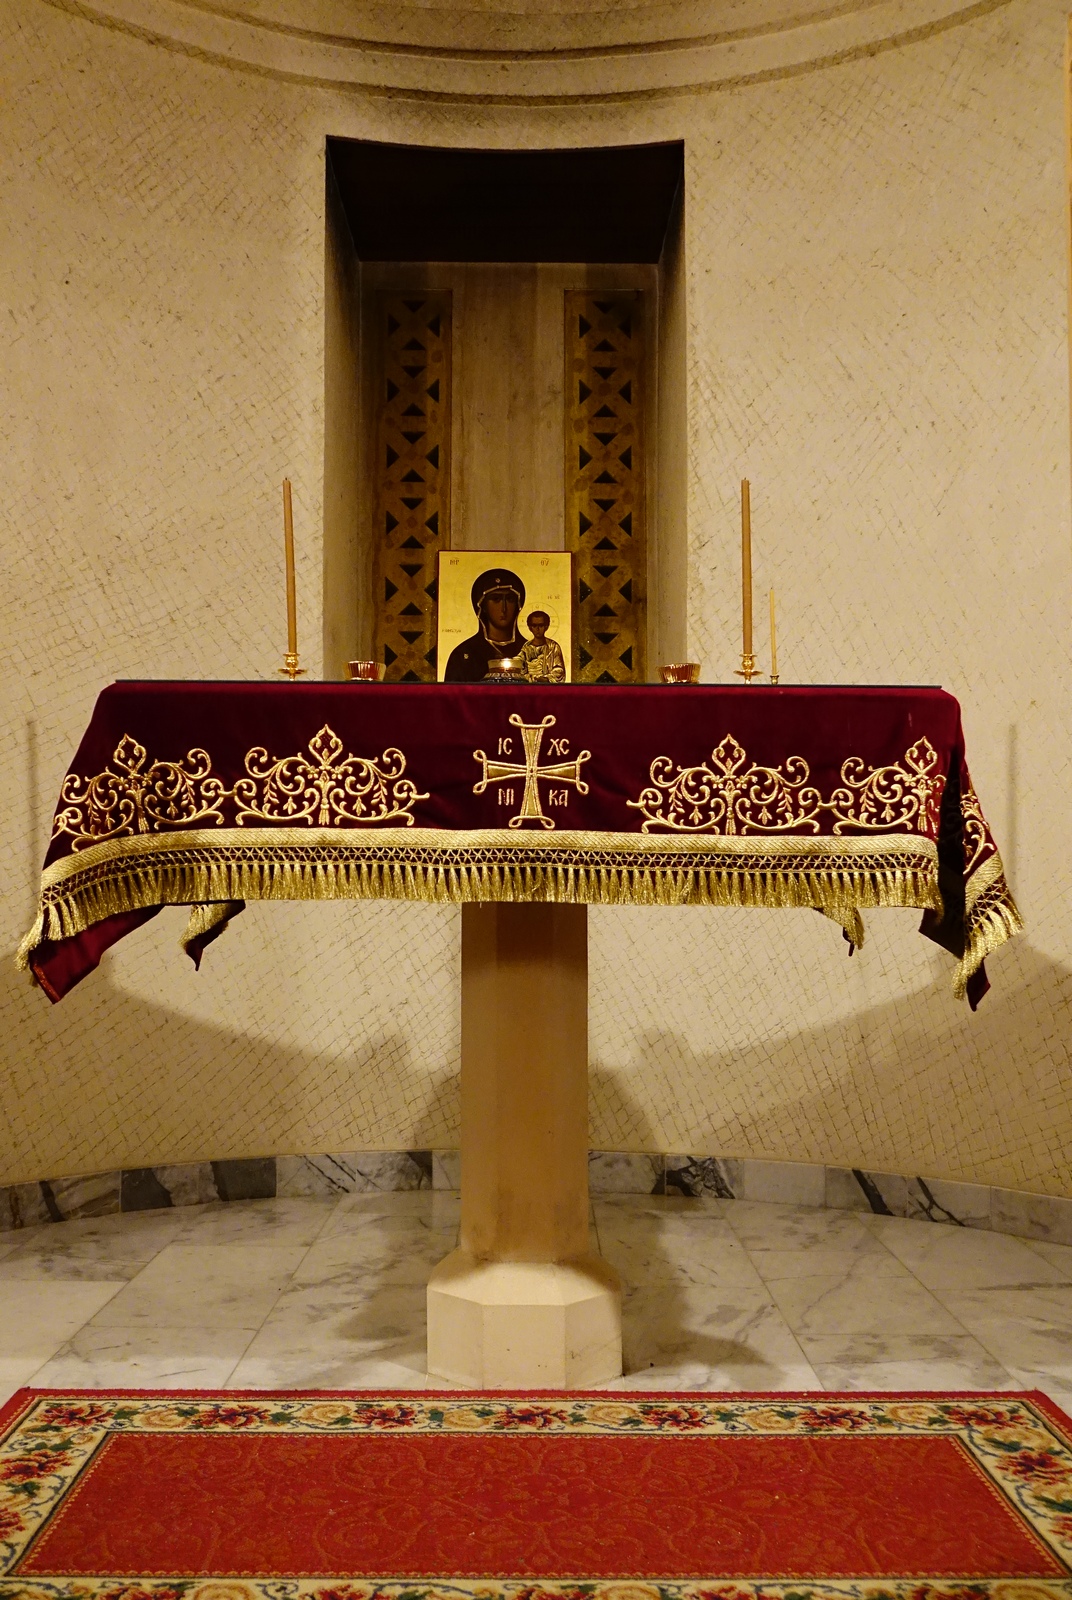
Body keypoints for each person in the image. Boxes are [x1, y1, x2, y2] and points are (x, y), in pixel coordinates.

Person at [444, 568, 529, 682]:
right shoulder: (464, 654)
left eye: (509, 599)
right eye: (496, 599)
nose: (503, 608)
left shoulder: (531, 652)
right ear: (482, 606)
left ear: (518, 605)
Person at [520, 611, 566, 684]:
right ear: (530, 628)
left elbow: (559, 671)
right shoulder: (525, 648)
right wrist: (533, 679)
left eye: (541, 625)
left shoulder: (553, 647)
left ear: (546, 627)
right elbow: (520, 671)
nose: (538, 629)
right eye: (534, 626)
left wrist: (547, 679)